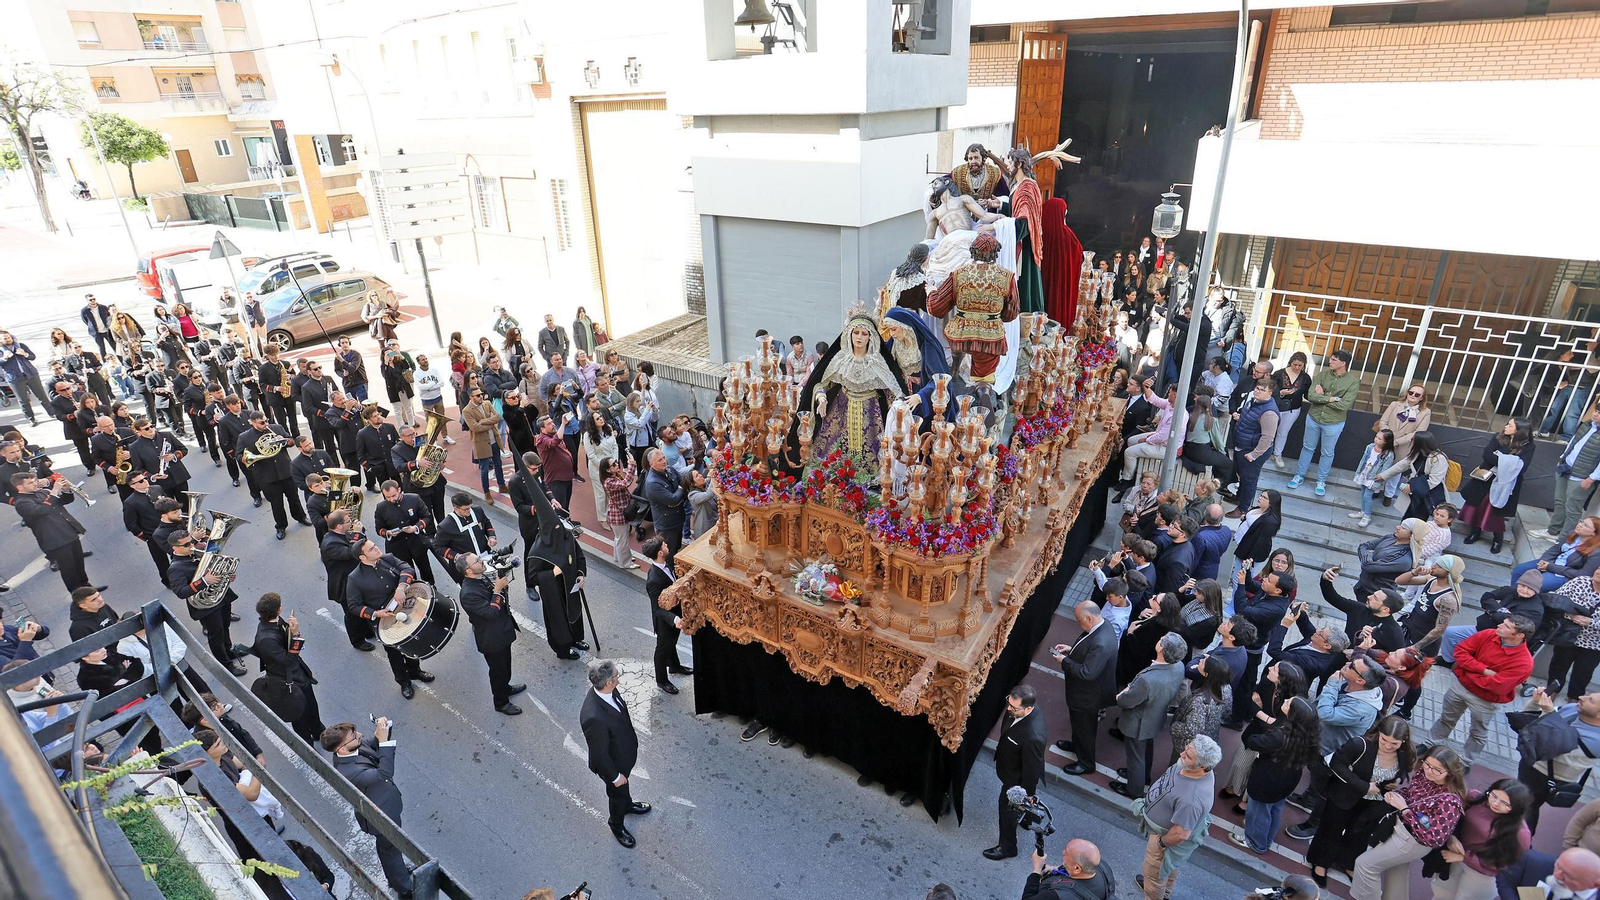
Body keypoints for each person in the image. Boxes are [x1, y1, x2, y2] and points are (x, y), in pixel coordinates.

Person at [1348, 745, 1467, 900]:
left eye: (1437, 770)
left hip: (1411, 840)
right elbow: (1412, 796)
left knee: (1365, 865)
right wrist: (1398, 796)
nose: (1429, 771)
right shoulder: (1423, 774)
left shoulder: (1449, 802)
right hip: (1401, 829)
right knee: (1396, 871)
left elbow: (1433, 837)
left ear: (1450, 772)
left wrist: (1404, 809)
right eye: (1427, 764)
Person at [322, 719, 413, 898]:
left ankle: (396, 878)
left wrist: (384, 728)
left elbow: (374, 743)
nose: (360, 736)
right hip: (381, 816)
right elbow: (384, 773)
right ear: (341, 749)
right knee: (391, 850)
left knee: (387, 849)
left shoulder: (352, 748)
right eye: (355, 736)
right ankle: (404, 888)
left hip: (386, 806)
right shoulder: (348, 771)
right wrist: (384, 741)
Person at [1429, 616, 1535, 764]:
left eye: (1506, 626)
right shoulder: (1488, 634)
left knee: (1478, 732)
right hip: (1460, 687)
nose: (1499, 625)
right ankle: (1430, 743)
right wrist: (1483, 670)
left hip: (1485, 700)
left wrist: (1468, 670)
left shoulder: (1523, 662)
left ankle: (1465, 761)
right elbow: (1460, 651)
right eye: (1503, 623)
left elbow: (1498, 686)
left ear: (1520, 635)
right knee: (1446, 719)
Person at [1133, 735, 1221, 900]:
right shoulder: (1190, 767)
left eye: (1188, 755)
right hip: (1167, 839)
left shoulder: (1192, 800)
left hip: (1165, 841)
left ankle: (1155, 894)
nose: (1181, 754)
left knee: (1154, 875)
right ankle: (1165, 894)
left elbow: (1181, 834)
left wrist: (1161, 843)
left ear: (1203, 766)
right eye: (1186, 748)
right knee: (1169, 868)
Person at [345, 539, 434, 699]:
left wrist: (401, 587)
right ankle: (404, 682)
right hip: (385, 620)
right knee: (394, 653)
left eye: (374, 545)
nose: (376, 548)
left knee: (410, 643)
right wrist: (376, 613)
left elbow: (407, 568)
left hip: (405, 609)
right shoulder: (354, 578)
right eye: (371, 549)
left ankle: (415, 671)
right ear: (362, 557)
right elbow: (354, 606)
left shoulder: (388, 558)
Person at [1232, 695, 1320, 854]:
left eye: (1288, 703)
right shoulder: (1306, 736)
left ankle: (1256, 842)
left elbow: (1253, 741)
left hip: (1267, 779)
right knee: (1275, 810)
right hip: (1289, 779)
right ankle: (1266, 838)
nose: (1285, 701)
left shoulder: (1279, 736)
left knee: (1258, 811)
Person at [579, 659, 649, 849]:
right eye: (617, 676)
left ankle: (628, 805)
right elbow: (599, 754)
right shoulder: (594, 717)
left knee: (623, 789)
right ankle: (617, 825)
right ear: (609, 682)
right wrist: (615, 777)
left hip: (622, 756)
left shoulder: (606, 690)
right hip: (613, 766)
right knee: (616, 794)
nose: (619, 679)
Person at [1112, 633, 1187, 799]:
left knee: (1135, 757)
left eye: (1161, 639)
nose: (1159, 639)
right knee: (1146, 749)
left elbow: (1126, 701)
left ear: (1162, 649)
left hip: (1138, 722)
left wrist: (1121, 696)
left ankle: (1134, 789)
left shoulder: (1148, 680)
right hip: (1155, 717)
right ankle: (1143, 776)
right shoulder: (1178, 666)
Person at [1431, 779, 1533, 900]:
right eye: (1494, 796)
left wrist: (1465, 858)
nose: (1496, 803)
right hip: (1454, 856)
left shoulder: (1520, 833)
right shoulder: (1475, 799)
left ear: (1517, 808)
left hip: (1483, 873)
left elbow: (1507, 862)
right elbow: (1451, 818)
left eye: (1505, 803)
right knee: (1441, 892)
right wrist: (1451, 837)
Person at [1516, 688, 1600, 835]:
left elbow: (1548, 745)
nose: (1581, 697)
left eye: (1590, 700)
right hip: (1531, 765)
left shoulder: (1595, 742)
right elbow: (1527, 725)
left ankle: (1522, 840)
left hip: (1546, 778)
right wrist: (1535, 703)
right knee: (1519, 802)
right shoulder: (1572, 708)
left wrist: (1548, 714)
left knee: (1527, 808)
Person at [525, 467, 589, 660]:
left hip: (570, 584)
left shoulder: (566, 537)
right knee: (558, 621)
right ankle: (563, 649)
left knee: (575, 613)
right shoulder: (537, 552)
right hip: (553, 592)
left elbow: (579, 556)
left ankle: (576, 638)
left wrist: (581, 574)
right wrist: (552, 573)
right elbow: (532, 578)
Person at [1049, 600, 1116, 777]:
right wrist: (1072, 650)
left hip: (1087, 696)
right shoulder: (1103, 626)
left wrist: (1064, 661)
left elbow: (1087, 673)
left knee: (1085, 729)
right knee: (1080, 726)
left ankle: (1086, 763)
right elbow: (1089, 650)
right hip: (1087, 693)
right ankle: (1077, 746)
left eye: (1080, 621)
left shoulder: (1101, 642)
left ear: (1089, 618)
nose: (1079, 624)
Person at [165, 531, 247, 675]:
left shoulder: (196, 554)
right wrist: (204, 581)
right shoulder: (175, 568)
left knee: (225, 626)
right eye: (187, 545)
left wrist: (226, 576)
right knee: (216, 636)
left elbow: (212, 570)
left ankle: (229, 651)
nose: (192, 546)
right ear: (175, 548)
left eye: (192, 542)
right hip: (205, 606)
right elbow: (181, 592)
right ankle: (226, 666)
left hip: (220, 598)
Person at [457, 552, 526, 715]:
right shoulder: (468, 594)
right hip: (492, 639)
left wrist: (501, 587)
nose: (482, 561)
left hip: (501, 631)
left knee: (505, 666)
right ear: (468, 570)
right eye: (477, 561)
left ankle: (505, 688)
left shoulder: (479, 578)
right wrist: (497, 590)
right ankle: (501, 703)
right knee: (498, 671)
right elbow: (490, 613)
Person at [985, 684, 1047, 861]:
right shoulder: (1018, 710)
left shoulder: (1033, 736)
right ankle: (1026, 819)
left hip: (1016, 780)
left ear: (1028, 709)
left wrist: (1024, 796)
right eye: (1009, 703)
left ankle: (1007, 847)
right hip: (1011, 766)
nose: (1009, 709)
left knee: (1006, 810)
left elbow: (1031, 770)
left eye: (1014, 707)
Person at [252, 593, 324, 745]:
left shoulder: (277, 622)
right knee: (298, 713)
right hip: (286, 679)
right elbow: (288, 660)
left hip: (298, 674)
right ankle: (306, 744)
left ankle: (318, 730)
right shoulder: (266, 638)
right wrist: (296, 635)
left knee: (311, 705)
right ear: (279, 609)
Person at [1288, 349, 1360, 497]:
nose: (1330, 361)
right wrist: (1333, 398)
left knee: (1327, 453)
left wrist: (1323, 396)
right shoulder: (1322, 375)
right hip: (1314, 418)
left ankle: (1321, 481)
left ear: (1343, 363)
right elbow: (1311, 396)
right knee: (1307, 447)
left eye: (1334, 359)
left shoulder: (1353, 382)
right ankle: (1299, 475)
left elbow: (1344, 405)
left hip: (1334, 422)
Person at [11, 471, 98, 592]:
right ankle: (77, 594)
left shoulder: (42, 492)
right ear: (19, 487)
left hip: (68, 532)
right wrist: (55, 491)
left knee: (79, 563)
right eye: (30, 483)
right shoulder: (21, 503)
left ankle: (87, 588)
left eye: (34, 481)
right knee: (68, 570)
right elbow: (43, 510)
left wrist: (66, 490)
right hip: (55, 540)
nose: (35, 484)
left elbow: (64, 501)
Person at [237, 411, 309, 540]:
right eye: (262, 422)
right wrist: (249, 458)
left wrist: (284, 441)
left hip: (285, 470)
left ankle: (300, 517)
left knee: (294, 497)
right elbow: (238, 455)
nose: (266, 424)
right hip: (267, 476)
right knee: (276, 503)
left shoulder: (276, 428)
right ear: (253, 423)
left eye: (266, 421)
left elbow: (291, 441)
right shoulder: (244, 437)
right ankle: (281, 526)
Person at [643, 537, 691, 694]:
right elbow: (656, 609)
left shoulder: (666, 564)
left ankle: (674, 666)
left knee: (671, 643)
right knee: (662, 650)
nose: (667, 545)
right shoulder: (654, 580)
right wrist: (674, 619)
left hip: (674, 614)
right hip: (665, 622)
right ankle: (662, 680)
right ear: (660, 553)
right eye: (664, 545)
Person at [1543, 569, 1600, 701]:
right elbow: (1555, 601)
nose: (1598, 572)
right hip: (1568, 634)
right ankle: (1548, 698)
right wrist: (1570, 616)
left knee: (1583, 674)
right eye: (1598, 568)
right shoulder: (1580, 582)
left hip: (1594, 644)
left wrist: (1591, 622)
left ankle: (1573, 703)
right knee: (1558, 667)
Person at [1169, 654, 1232, 768]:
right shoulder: (1226, 688)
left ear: (1206, 674)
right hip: (1209, 736)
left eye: (1203, 662)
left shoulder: (1199, 701)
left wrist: (1175, 725)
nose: (1200, 661)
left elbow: (1191, 730)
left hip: (1189, 748)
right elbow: (1227, 711)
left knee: (1177, 771)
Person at [1514, 517, 1600, 594]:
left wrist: (1550, 567)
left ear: (1594, 533)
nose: (1580, 525)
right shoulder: (1573, 534)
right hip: (1551, 563)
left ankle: (1525, 604)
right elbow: (1555, 549)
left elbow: (1582, 574)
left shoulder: (1596, 553)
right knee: (1519, 569)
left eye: (1586, 525)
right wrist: (1544, 561)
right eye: (1581, 521)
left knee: (1534, 583)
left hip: (1564, 574)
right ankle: (1513, 597)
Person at [1022, 838, 1116, 900]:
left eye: (1066, 854)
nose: (1062, 852)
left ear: (1077, 868)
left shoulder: (1057, 896)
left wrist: (1036, 870)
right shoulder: (1101, 866)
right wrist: (1054, 869)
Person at [121, 471, 172, 582]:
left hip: (170, 528)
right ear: (132, 486)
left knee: (178, 552)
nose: (145, 481)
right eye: (141, 481)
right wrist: (146, 537)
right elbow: (131, 524)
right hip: (153, 535)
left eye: (145, 478)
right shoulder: (130, 502)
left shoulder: (157, 488)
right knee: (161, 560)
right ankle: (167, 580)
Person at [1495, 845, 1600, 899]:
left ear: (1595, 885)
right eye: (1558, 866)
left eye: (1568, 876)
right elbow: (1505, 881)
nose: (1556, 875)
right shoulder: (1533, 862)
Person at [462, 387, 506, 503]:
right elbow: (475, 428)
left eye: (481, 394)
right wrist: (491, 423)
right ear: (471, 397)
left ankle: (502, 485)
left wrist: (483, 422)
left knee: (498, 464)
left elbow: (498, 416)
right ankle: (487, 492)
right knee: (484, 469)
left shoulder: (487, 403)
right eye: (477, 395)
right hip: (481, 444)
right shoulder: (467, 410)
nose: (481, 396)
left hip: (494, 440)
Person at [644, 448, 687, 561]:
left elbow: (683, 482)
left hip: (678, 518)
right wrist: (680, 489)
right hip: (667, 525)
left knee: (676, 547)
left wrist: (679, 492)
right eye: (659, 460)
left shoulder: (669, 469)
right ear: (651, 464)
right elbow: (673, 500)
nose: (664, 461)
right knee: (667, 555)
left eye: (664, 458)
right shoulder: (652, 483)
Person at [1356, 519, 1418, 599]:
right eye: (1400, 525)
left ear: (1412, 535)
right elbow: (1363, 546)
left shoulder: (1404, 558)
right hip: (1362, 585)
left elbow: (1367, 566)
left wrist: (1369, 554)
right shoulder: (1390, 537)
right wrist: (1370, 557)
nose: (1398, 527)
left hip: (1376, 595)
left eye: (1403, 528)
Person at [1350, 428, 1397, 528]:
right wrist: (1358, 472)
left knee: (1367, 496)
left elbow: (1385, 470)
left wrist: (1378, 482)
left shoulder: (1389, 454)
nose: (1376, 439)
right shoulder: (1370, 447)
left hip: (1374, 478)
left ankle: (1367, 516)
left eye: (1379, 439)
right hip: (1364, 473)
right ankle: (1362, 512)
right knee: (1363, 493)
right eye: (1376, 437)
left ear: (1385, 442)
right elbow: (1363, 460)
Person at [0, 330, 49, 425]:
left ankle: (52, 413)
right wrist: (4, 358)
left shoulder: (20, 346)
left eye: (9, 337)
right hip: (15, 378)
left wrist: (24, 354)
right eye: (5, 338)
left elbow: (33, 357)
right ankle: (31, 419)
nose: (8, 339)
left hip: (31, 374)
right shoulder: (1, 351)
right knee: (23, 400)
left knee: (42, 395)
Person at [356, 407, 401, 493]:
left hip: (393, 465)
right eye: (375, 416)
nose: (379, 417)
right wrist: (369, 468)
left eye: (378, 414)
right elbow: (360, 454)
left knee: (399, 488)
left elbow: (398, 445)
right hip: (378, 468)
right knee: (385, 491)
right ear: (369, 420)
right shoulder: (362, 434)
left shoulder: (390, 427)